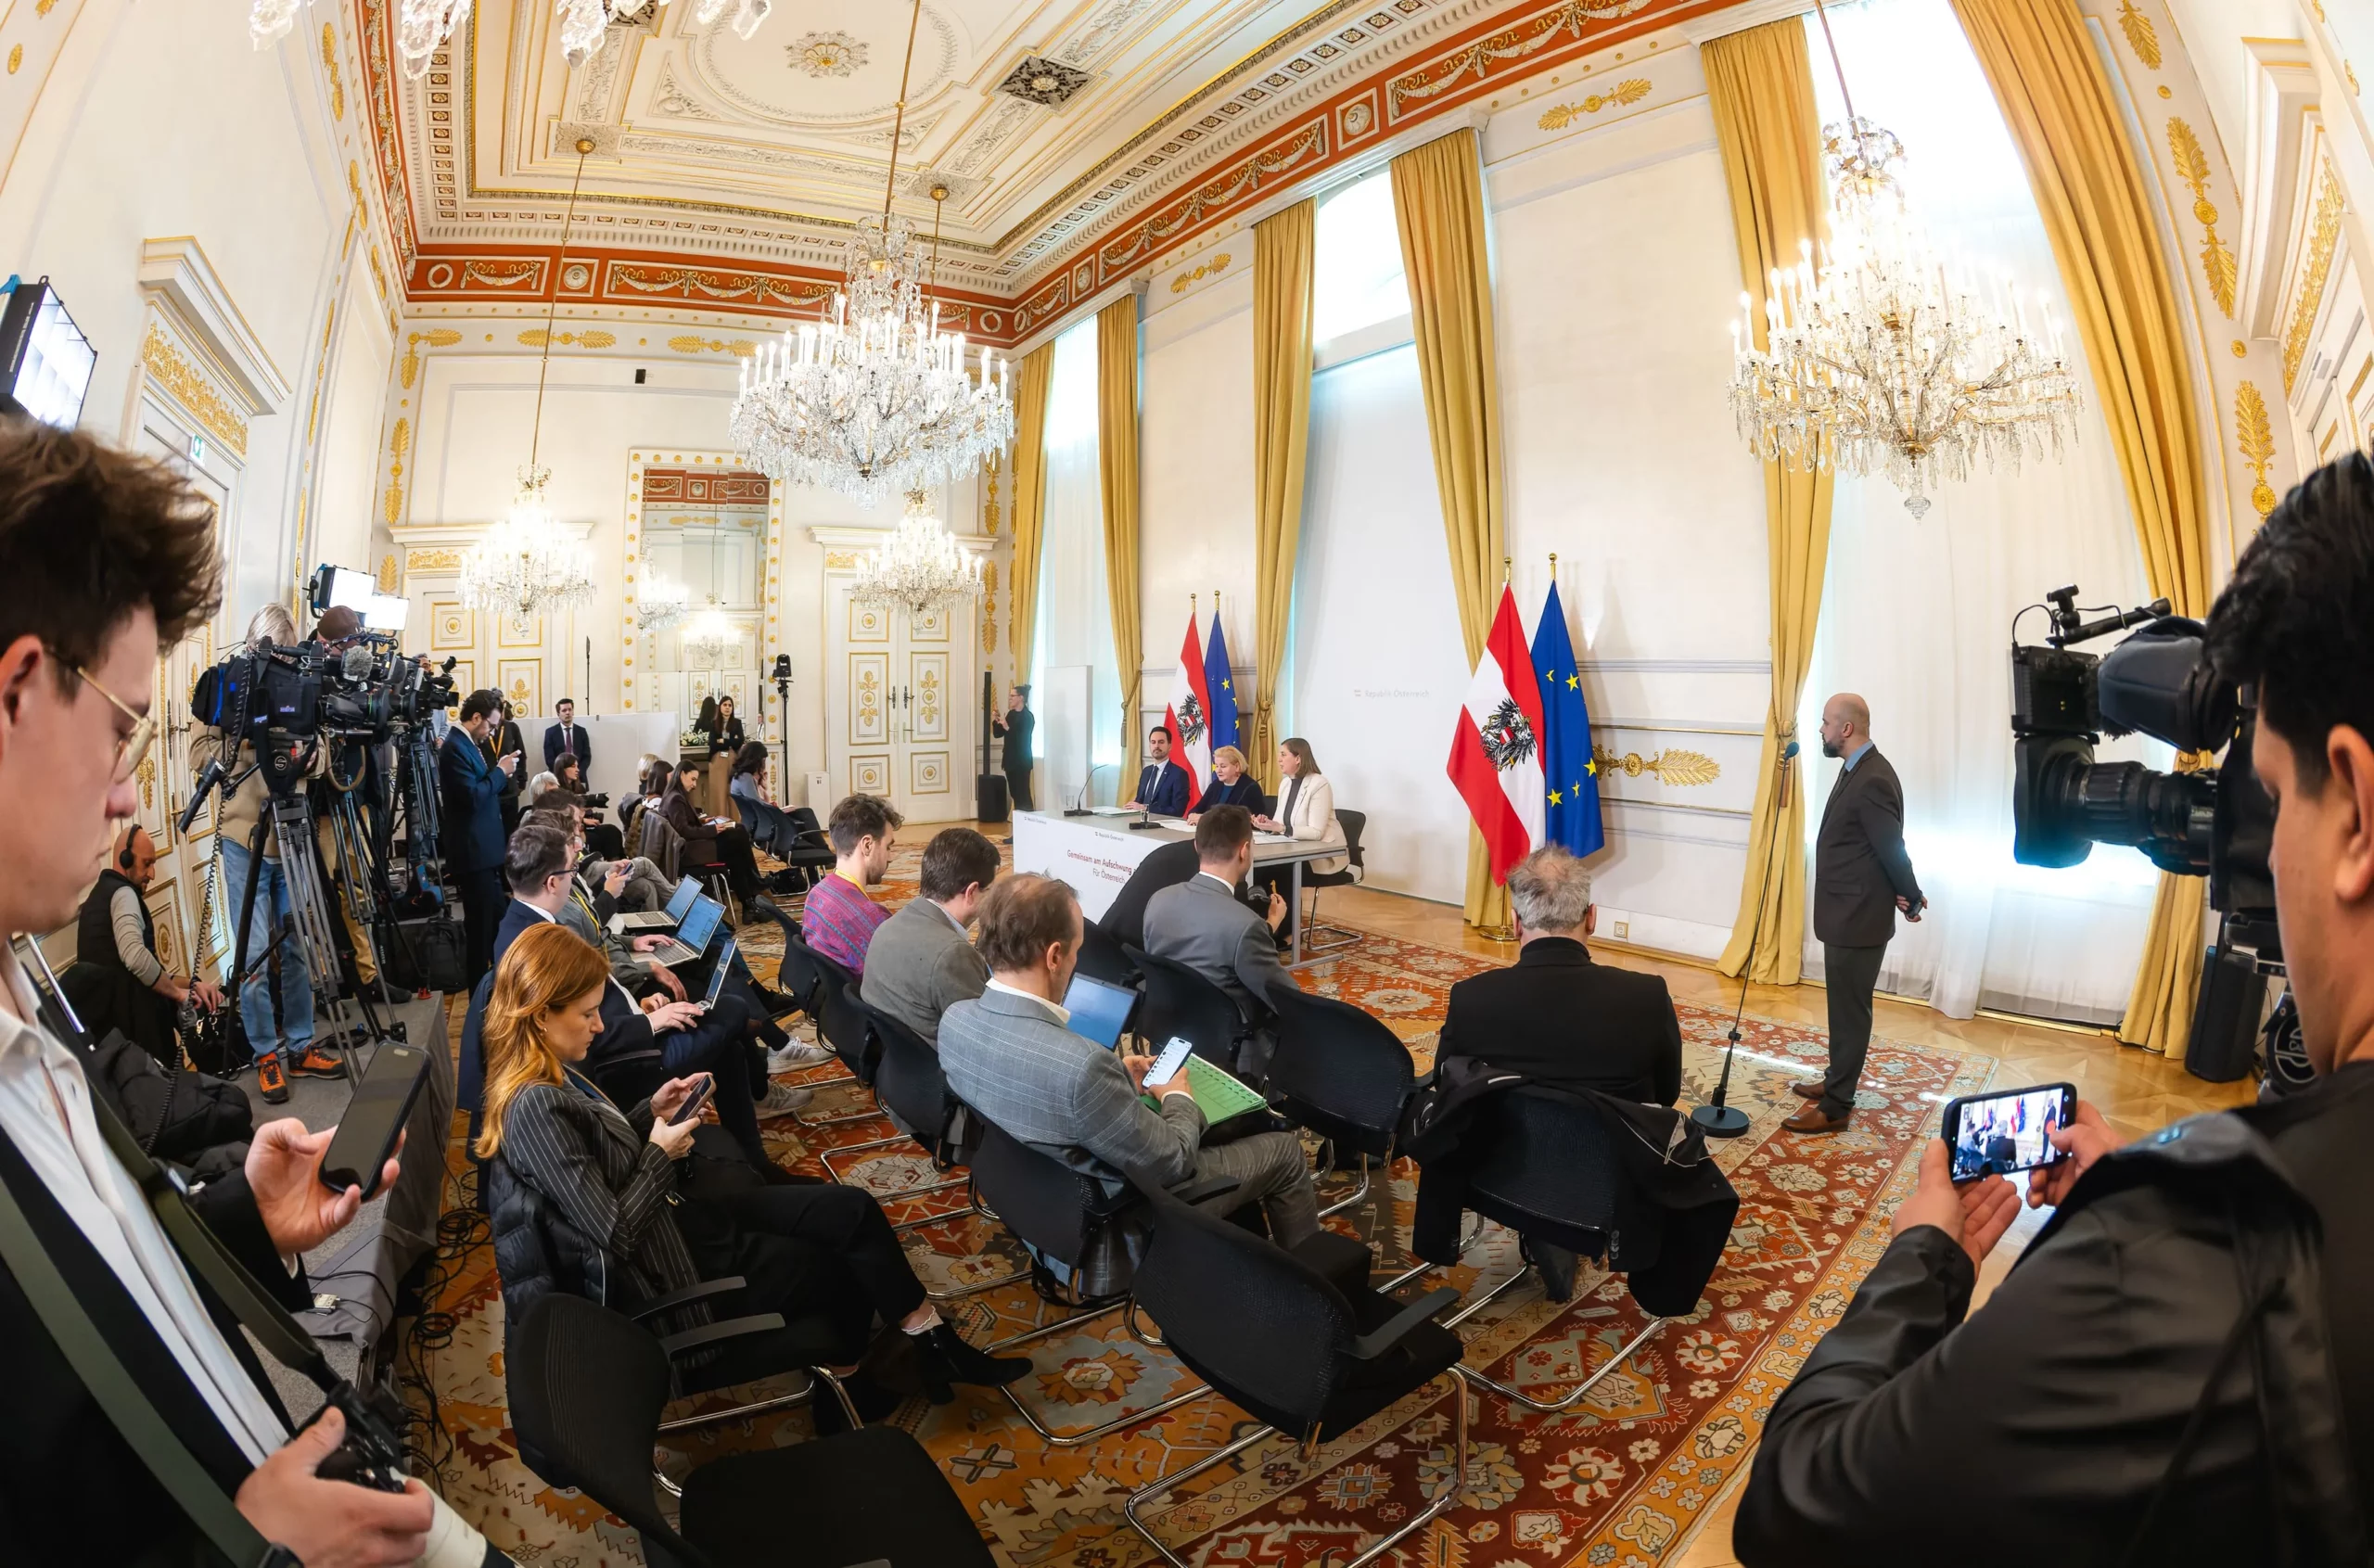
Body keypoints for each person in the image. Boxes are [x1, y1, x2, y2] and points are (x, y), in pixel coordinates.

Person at [1736, 454, 2374, 1562]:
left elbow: (1797, 1503)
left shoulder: (2188, 1260)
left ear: (2355, 810)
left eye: (2266, 794)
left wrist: (1925, 1257)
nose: (2255, 851)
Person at [0, 419, 449, 1564]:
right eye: (119, 730)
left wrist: (246, 1217)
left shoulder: (34, 1006)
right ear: (17, 691)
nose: (123, 796)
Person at [474, 923, 1029, 1413]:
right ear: (542, 1013)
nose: (599, 1027)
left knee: (851, 1211)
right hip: (671, 1260)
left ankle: (931, 1345)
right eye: (588, 1013)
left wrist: (651, 1111)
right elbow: (613, 1232)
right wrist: (659, 1151)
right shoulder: (534, 1106)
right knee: (839, 1261)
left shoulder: (547, 1074)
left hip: (680, 1218)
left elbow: (593, 1151)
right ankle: (853, 1390)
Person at [939, 874, 1321, 1251]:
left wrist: (1117, 1077)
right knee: (1284, 1151)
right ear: (1054, 956)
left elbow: (1032, 1085)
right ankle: (1312, 1287)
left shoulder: (955, 1021)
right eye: (1076, 951)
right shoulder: (1081, 1065)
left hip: (1029, 1204)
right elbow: (1174, 1162)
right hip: (1113, 1224)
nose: (1076, 962)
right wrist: (1177, 1096)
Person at [493, 828, 796, 1175]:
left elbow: (594, 997)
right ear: (551, 883)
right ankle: (757, 1145)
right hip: (621, 1061)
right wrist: (649, 1022)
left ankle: (753, 1164)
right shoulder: (538, 941)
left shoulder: (526, 924)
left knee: (729, 1047)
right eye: (570, 871)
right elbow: (575, 1038)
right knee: (731, 1009)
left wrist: (641, 1004)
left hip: (625, 1029)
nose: (574, 878)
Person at [190, 602, 341, 1104]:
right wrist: (248, 748)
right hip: (241, 843)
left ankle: (299, 1044)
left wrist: (309, 756)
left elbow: (321, 757)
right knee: (253, 959)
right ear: (253, 642)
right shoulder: (223, 683)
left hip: (291, 837)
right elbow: (196, 754)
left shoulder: (301, 682)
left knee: (297, 950)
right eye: (268, 650)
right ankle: (265, 1055)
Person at [1438, 846, 1681, 1104]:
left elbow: (1445, 1083)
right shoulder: (1648, 996)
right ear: (1591, 918)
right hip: (1613, 1144)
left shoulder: (1470, 998)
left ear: (1515, 923)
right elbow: (1667, 1094)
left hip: (1503, 1144)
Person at [1783, 693, 1923, 1136]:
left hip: (1858, 917)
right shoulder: (1857, 769)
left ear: (1847, 729)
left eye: (1826, 723)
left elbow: (1891, 847)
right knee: (1841, 1007)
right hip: (1848, 911)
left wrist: (1911, 895)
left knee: (1850, 1012)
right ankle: (1834, 1080)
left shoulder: (1874, 778)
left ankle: (1837, 1105)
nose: (1821, 731)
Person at [1141, 806, 1299, 1080]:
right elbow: (1287, 999)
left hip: (1168, 1034)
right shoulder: (1245, 924)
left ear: (1196, 845)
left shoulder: (1158, 900)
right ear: (1244, 850)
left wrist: (1267, 928)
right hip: (1231, 1048)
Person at [74, 823, 223, 1064]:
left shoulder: (101, 895)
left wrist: (193, 985)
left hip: (113, 1035)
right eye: (147, 863)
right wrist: (178, 995)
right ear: (124, 859)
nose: (152, 873)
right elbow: (134, 957)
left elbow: (147, 971)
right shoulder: (124, 895)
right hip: (136, 1037)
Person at [861, 827, 997, 1046]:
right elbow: (985, 1041)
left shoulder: (889, 925)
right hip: (937, 1073)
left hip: (893, 1066)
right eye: (989, 891)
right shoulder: (954, 955)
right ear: (971, 892)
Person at [443, 687, 518, 988]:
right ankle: (480, 1000)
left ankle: (499, 992)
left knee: (497, 928)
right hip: (474, 856)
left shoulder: (467, 744)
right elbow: (472, 797)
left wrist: (500, 772)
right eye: (490, 725)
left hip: (485, 855)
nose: (491, 732)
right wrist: (500, 772)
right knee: (480, 935)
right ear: (476, 718)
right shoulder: (454, 747)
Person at [802, 794, 902, 978]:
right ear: (867, 845)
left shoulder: (816, 894)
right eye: (888, 847)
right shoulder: (871, 918)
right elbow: (901, 981)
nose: (890, 857)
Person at [656, 761, 764, 904]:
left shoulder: (672, 795)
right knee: (737, 841)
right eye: (693, 779)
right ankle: (752, 884)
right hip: (690, 852)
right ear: (682, 774)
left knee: (738, 834)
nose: (695, 785)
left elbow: (682, 824)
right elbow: (684, 830)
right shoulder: (676, 798)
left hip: (691, 847)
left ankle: (750, 895)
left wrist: (704, 822)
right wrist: (713, 829)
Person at [1183, 745, 1264, 822]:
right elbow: (1198, 808)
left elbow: (1241, 820)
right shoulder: (1216, 785)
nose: (1218, 770)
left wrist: (1205, 820)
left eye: (1223, 766)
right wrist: (1192, 815)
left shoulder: (1250, 788)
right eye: (1216, 766)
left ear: (1237, 767)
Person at [1127, 724, 1193, 816]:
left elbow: (1178, 810)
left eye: (1161, 742)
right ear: (1149, 746)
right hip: (1140, 822)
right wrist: (1130, 808)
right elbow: (1139, 801)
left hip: (1164, 827)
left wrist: (1146, 808)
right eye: (1153, 742)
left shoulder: (1179, 774)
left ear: (1169, 746)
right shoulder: (1146, 772)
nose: (1156, 746)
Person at [487, 697, 528, 836]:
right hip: (492, 786)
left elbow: (521, 755)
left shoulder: (512, 727)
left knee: (510, 829)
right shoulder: (485, 729)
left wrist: (522, 780)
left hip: (510, 788)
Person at [994, 684, 1035, 812]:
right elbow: (998, 734)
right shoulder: (1011, 714)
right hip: (1010, 761)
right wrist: (996, 720)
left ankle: (1029, 824)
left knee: (1023, 796)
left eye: (1012, 696)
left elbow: (1022, 739)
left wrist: (1007, 727)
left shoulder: (1027, 717)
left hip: (1022, 762)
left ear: (1021, 698)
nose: (1010, 698)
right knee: (1015, 795)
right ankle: (1019, 828)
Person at [542, 696, 591, 771]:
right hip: (558, 775)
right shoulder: (550, 733)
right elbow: (549, 758)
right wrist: (563, 773)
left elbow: (586, 756)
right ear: (558, 713)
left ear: (573, 712)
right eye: (564, 710)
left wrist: (577, 771)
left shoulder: (581, 732)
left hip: (579, 775)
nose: (568, 713)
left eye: (570, 710)